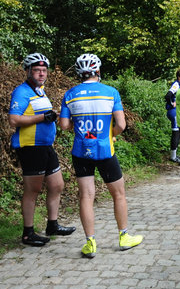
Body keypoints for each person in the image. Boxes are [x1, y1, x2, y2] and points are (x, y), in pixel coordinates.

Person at [59, 53, 143, 258]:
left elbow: (64, 125)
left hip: (81, 151)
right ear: (98, 71)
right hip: (105, 149)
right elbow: (122, 124)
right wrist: (110, 135)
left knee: (86, 196)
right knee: (118, 194)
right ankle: (124, 237)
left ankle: (90, 243)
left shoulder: (70, 94)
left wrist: (80, 130)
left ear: (79, 72)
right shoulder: (110, 92)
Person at [8, 53, 76, 247]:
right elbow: (13, 120)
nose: (41, 74)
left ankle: (52, 225)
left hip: (45, 147)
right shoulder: (22, 92)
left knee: (57, 185)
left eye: (44, 70)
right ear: (28, 71)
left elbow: (43, 114)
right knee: (33, 189)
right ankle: (28, 233)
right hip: (30, 147)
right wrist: (42, 118)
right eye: (37, 70)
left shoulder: (40, 91)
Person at [164, 69, 180, 163]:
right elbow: (168, 95)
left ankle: (175, 154)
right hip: (173, 112)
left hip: (178, 111)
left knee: (179, 133)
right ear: (179, 77)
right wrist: (172, 103)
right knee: (176, 132)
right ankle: (173, 156)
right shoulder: (176, 84)